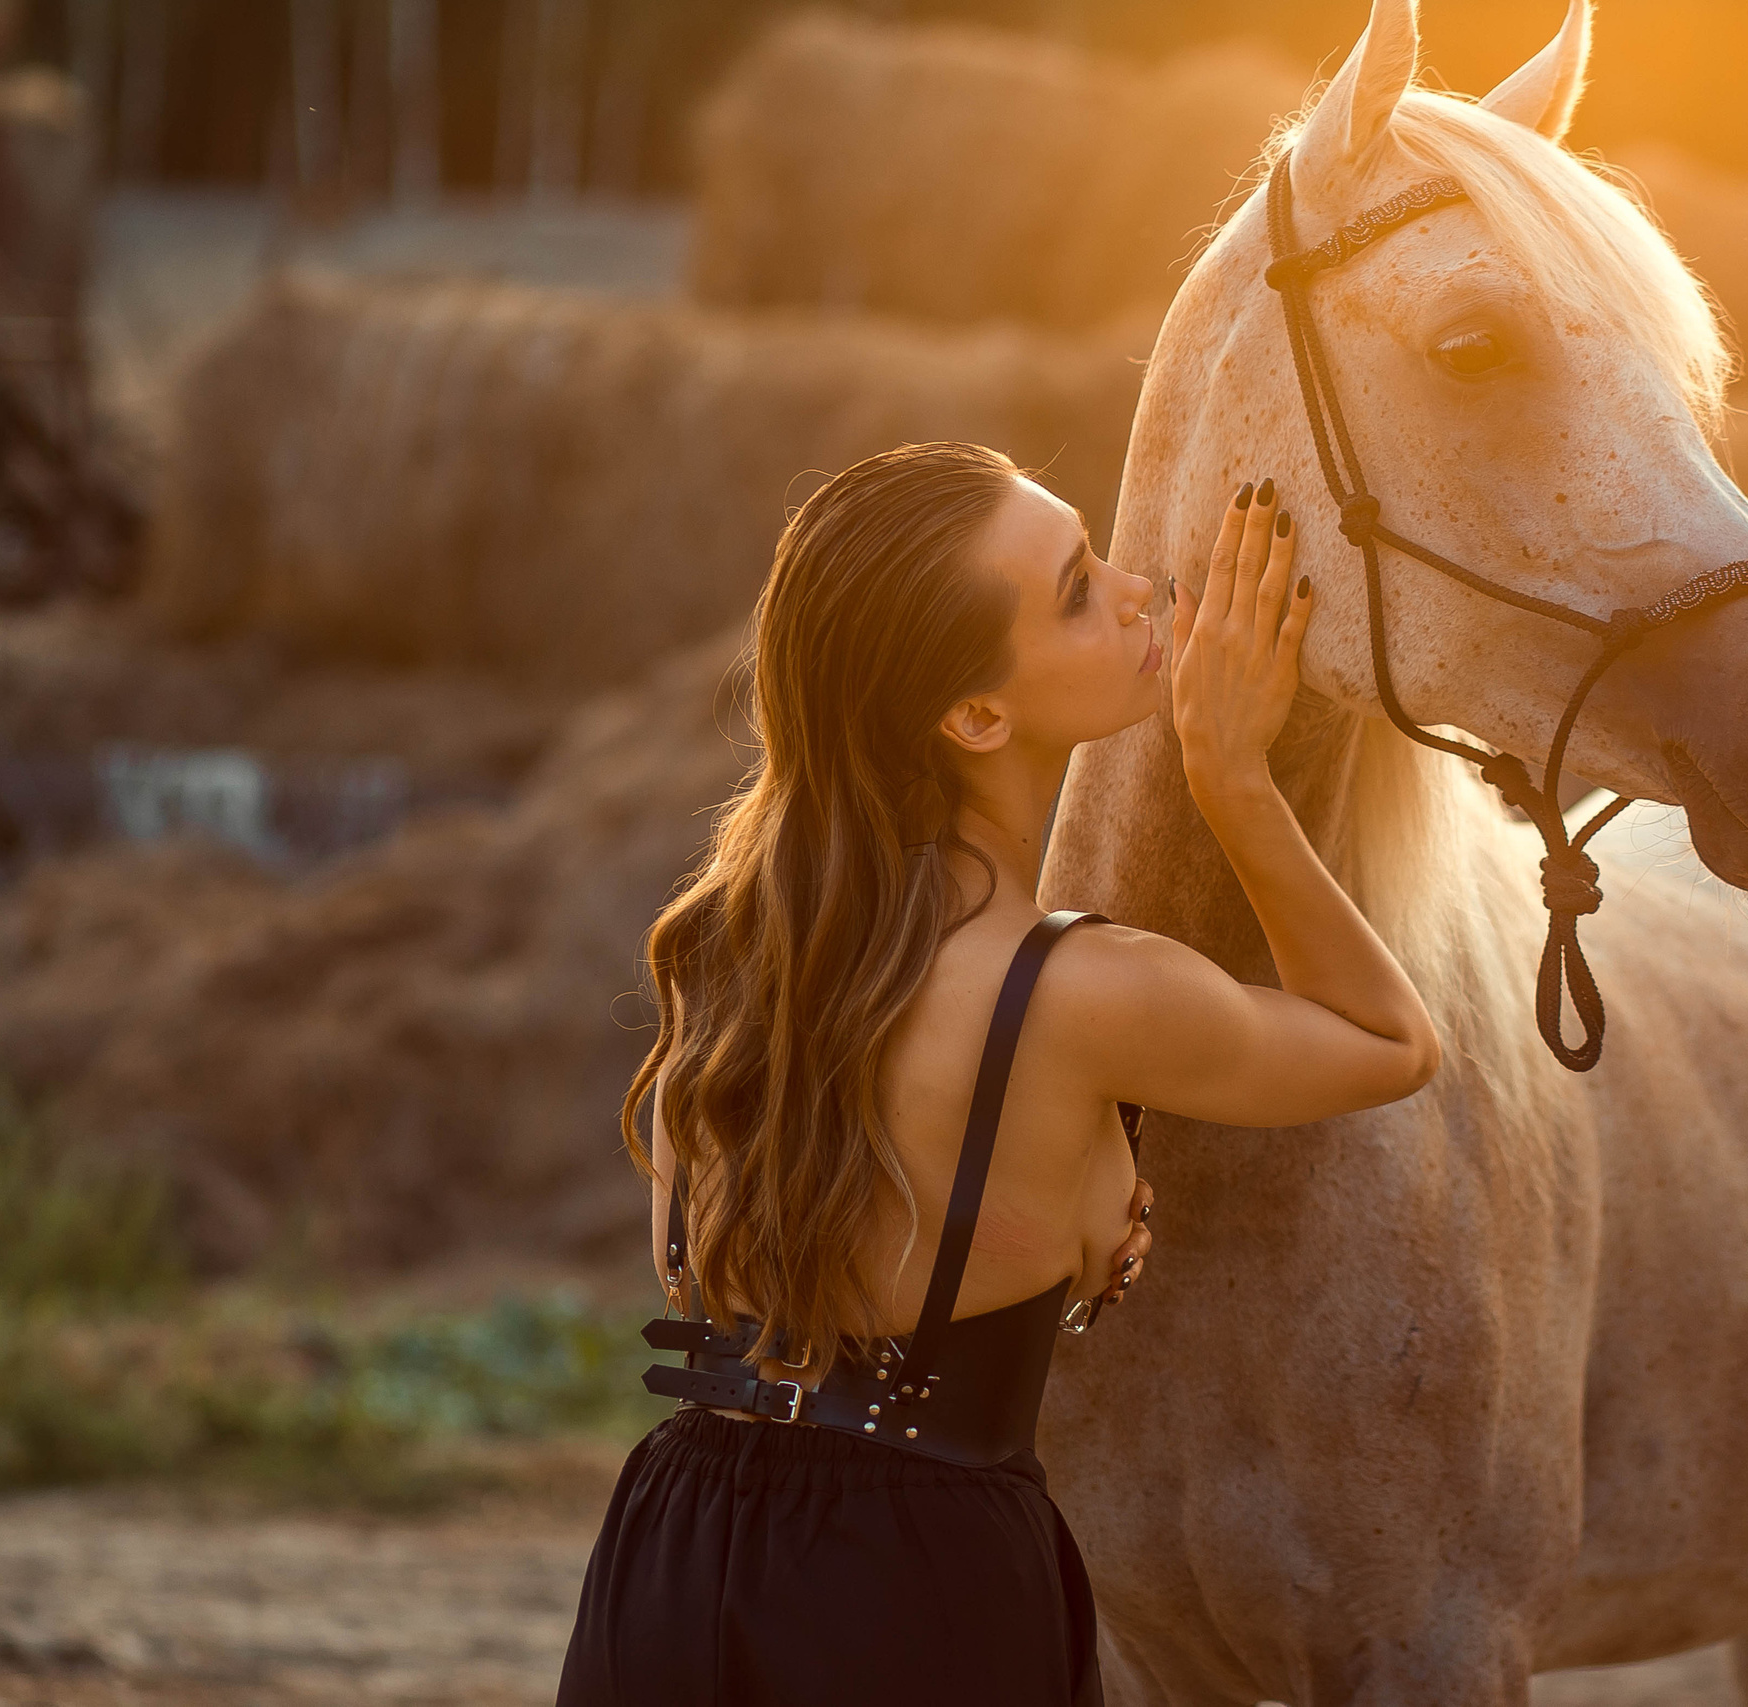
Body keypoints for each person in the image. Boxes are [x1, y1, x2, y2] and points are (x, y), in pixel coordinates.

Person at [555, 443, 1440, 1705]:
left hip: (677, 1541)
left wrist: (1060, 1194)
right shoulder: (1084, 992)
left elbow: (717, 1267)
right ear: (975, 718)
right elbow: (1387, 1043)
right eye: (1081, 586)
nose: (1144, 589)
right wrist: (1233, 780)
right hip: (921, 1576)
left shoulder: (725, 942)